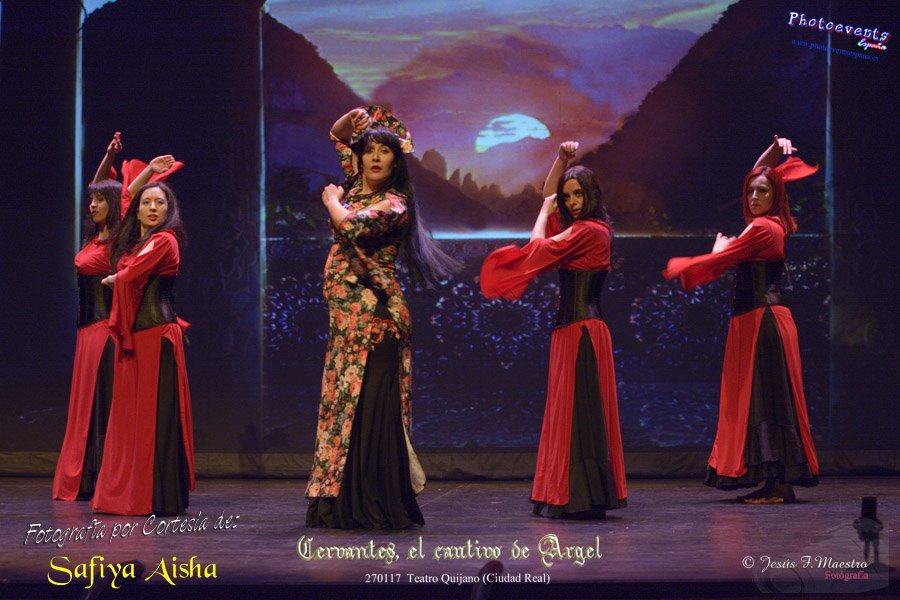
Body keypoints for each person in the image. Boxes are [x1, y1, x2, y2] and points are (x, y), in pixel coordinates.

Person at [305, 106, 458, 529]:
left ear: (395, 163)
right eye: (368, 149)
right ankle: (335, 501)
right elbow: (337, 134)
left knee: (367, 411)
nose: (374, 157)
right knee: (341, 408)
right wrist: (353, 116)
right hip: (345, 325)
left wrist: (331, 201)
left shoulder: (394, 204)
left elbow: (351, 227)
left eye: (384, 151)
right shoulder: (357, 184)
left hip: (375, 320)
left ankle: (370, 502)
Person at [663, 135, 820, 504]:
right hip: (754, 319)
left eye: (762, 191)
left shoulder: (765, 228)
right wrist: (773, 150)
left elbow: (724, 257)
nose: (753, 196)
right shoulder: (764, 224)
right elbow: (758, 172)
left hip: (763, 321)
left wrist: (709, 255)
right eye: (750, 191)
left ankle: (778, 484)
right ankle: (771, 481)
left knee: (767, 398)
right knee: (758, 398)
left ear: (775, 196)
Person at [481, 142, 627, 518]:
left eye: (578, 194)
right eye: (568, 196)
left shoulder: (590, 231)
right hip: (570, 330)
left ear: (592, 195)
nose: (572, 202)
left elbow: (536, 248)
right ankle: (569, 492)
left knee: (579, 414)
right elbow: (550, 194)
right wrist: (561, 161)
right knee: (566, 413)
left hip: (582, 331)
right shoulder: (580, 229)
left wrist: (545, 211)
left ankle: (582, 495)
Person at [53, 133, 180, 502]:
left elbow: (127, 197)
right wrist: (108, 156)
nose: (93, 204)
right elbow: (104, 189)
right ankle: (86, 475)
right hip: (85, 332)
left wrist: (147, 173)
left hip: (104, 329)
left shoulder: (118, 240)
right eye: (91, 200)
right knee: (86, 406)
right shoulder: (95, 238)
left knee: (104, 403)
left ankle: (99, 475)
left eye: (99, 201)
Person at [91, 181, 194, 516]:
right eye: (146, 202)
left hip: (156, 335)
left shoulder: (165, 240)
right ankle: (132, 490)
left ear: (169, 209)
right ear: (136, 211)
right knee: (132, 415)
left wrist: (114, 279)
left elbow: (130, 275)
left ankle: (156, 496)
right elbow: (129, 269)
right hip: (139, 337)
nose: (152, 208)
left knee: (154, 415)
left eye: (159, 203)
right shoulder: (142, 244)